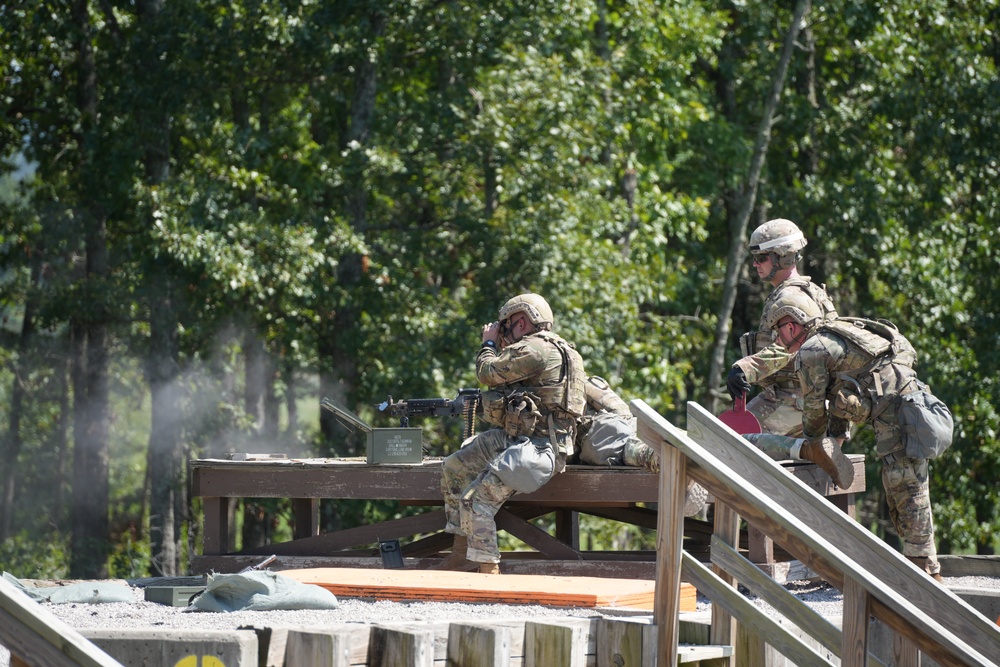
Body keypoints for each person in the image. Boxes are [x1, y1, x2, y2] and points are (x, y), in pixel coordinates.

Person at [757, 291, 953, 581]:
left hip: (896, 410)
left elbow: (813, 413)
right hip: (909, 399)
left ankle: (923, 569)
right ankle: (922, 564)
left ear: (790, 326)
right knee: (907, 484)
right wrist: (836, 439)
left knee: (904, 486)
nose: (778, 341)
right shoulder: (839, 333)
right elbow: (842, 392)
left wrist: (815, 449)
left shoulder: (811, 351)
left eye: (778, 332)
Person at [436, 293, 587, 574]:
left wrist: (490, 343)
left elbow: (487, 372)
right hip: (520, 438)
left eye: (505, 325)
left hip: (540, 448)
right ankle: (461, 552)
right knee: (455, 467)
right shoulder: (563, 349)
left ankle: (486, 566)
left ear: (520, 321)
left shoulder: (534, 350)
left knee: (477, 497)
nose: (503, 331)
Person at [727, 218, 838, 435]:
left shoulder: (791, 298)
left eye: (761, 258)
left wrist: (744, 369)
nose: (755, 264)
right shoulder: (810, 291)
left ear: (782, 258)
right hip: (806, 401)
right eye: (754, 258)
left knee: (728, 443)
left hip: (793, 402)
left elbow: (787, 347)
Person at [576, 376, 708, 517]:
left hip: (603, 432)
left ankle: (672, 461)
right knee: (625, 444)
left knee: (618, 446)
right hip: (606, 431)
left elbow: (610, 403)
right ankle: (677, 457)